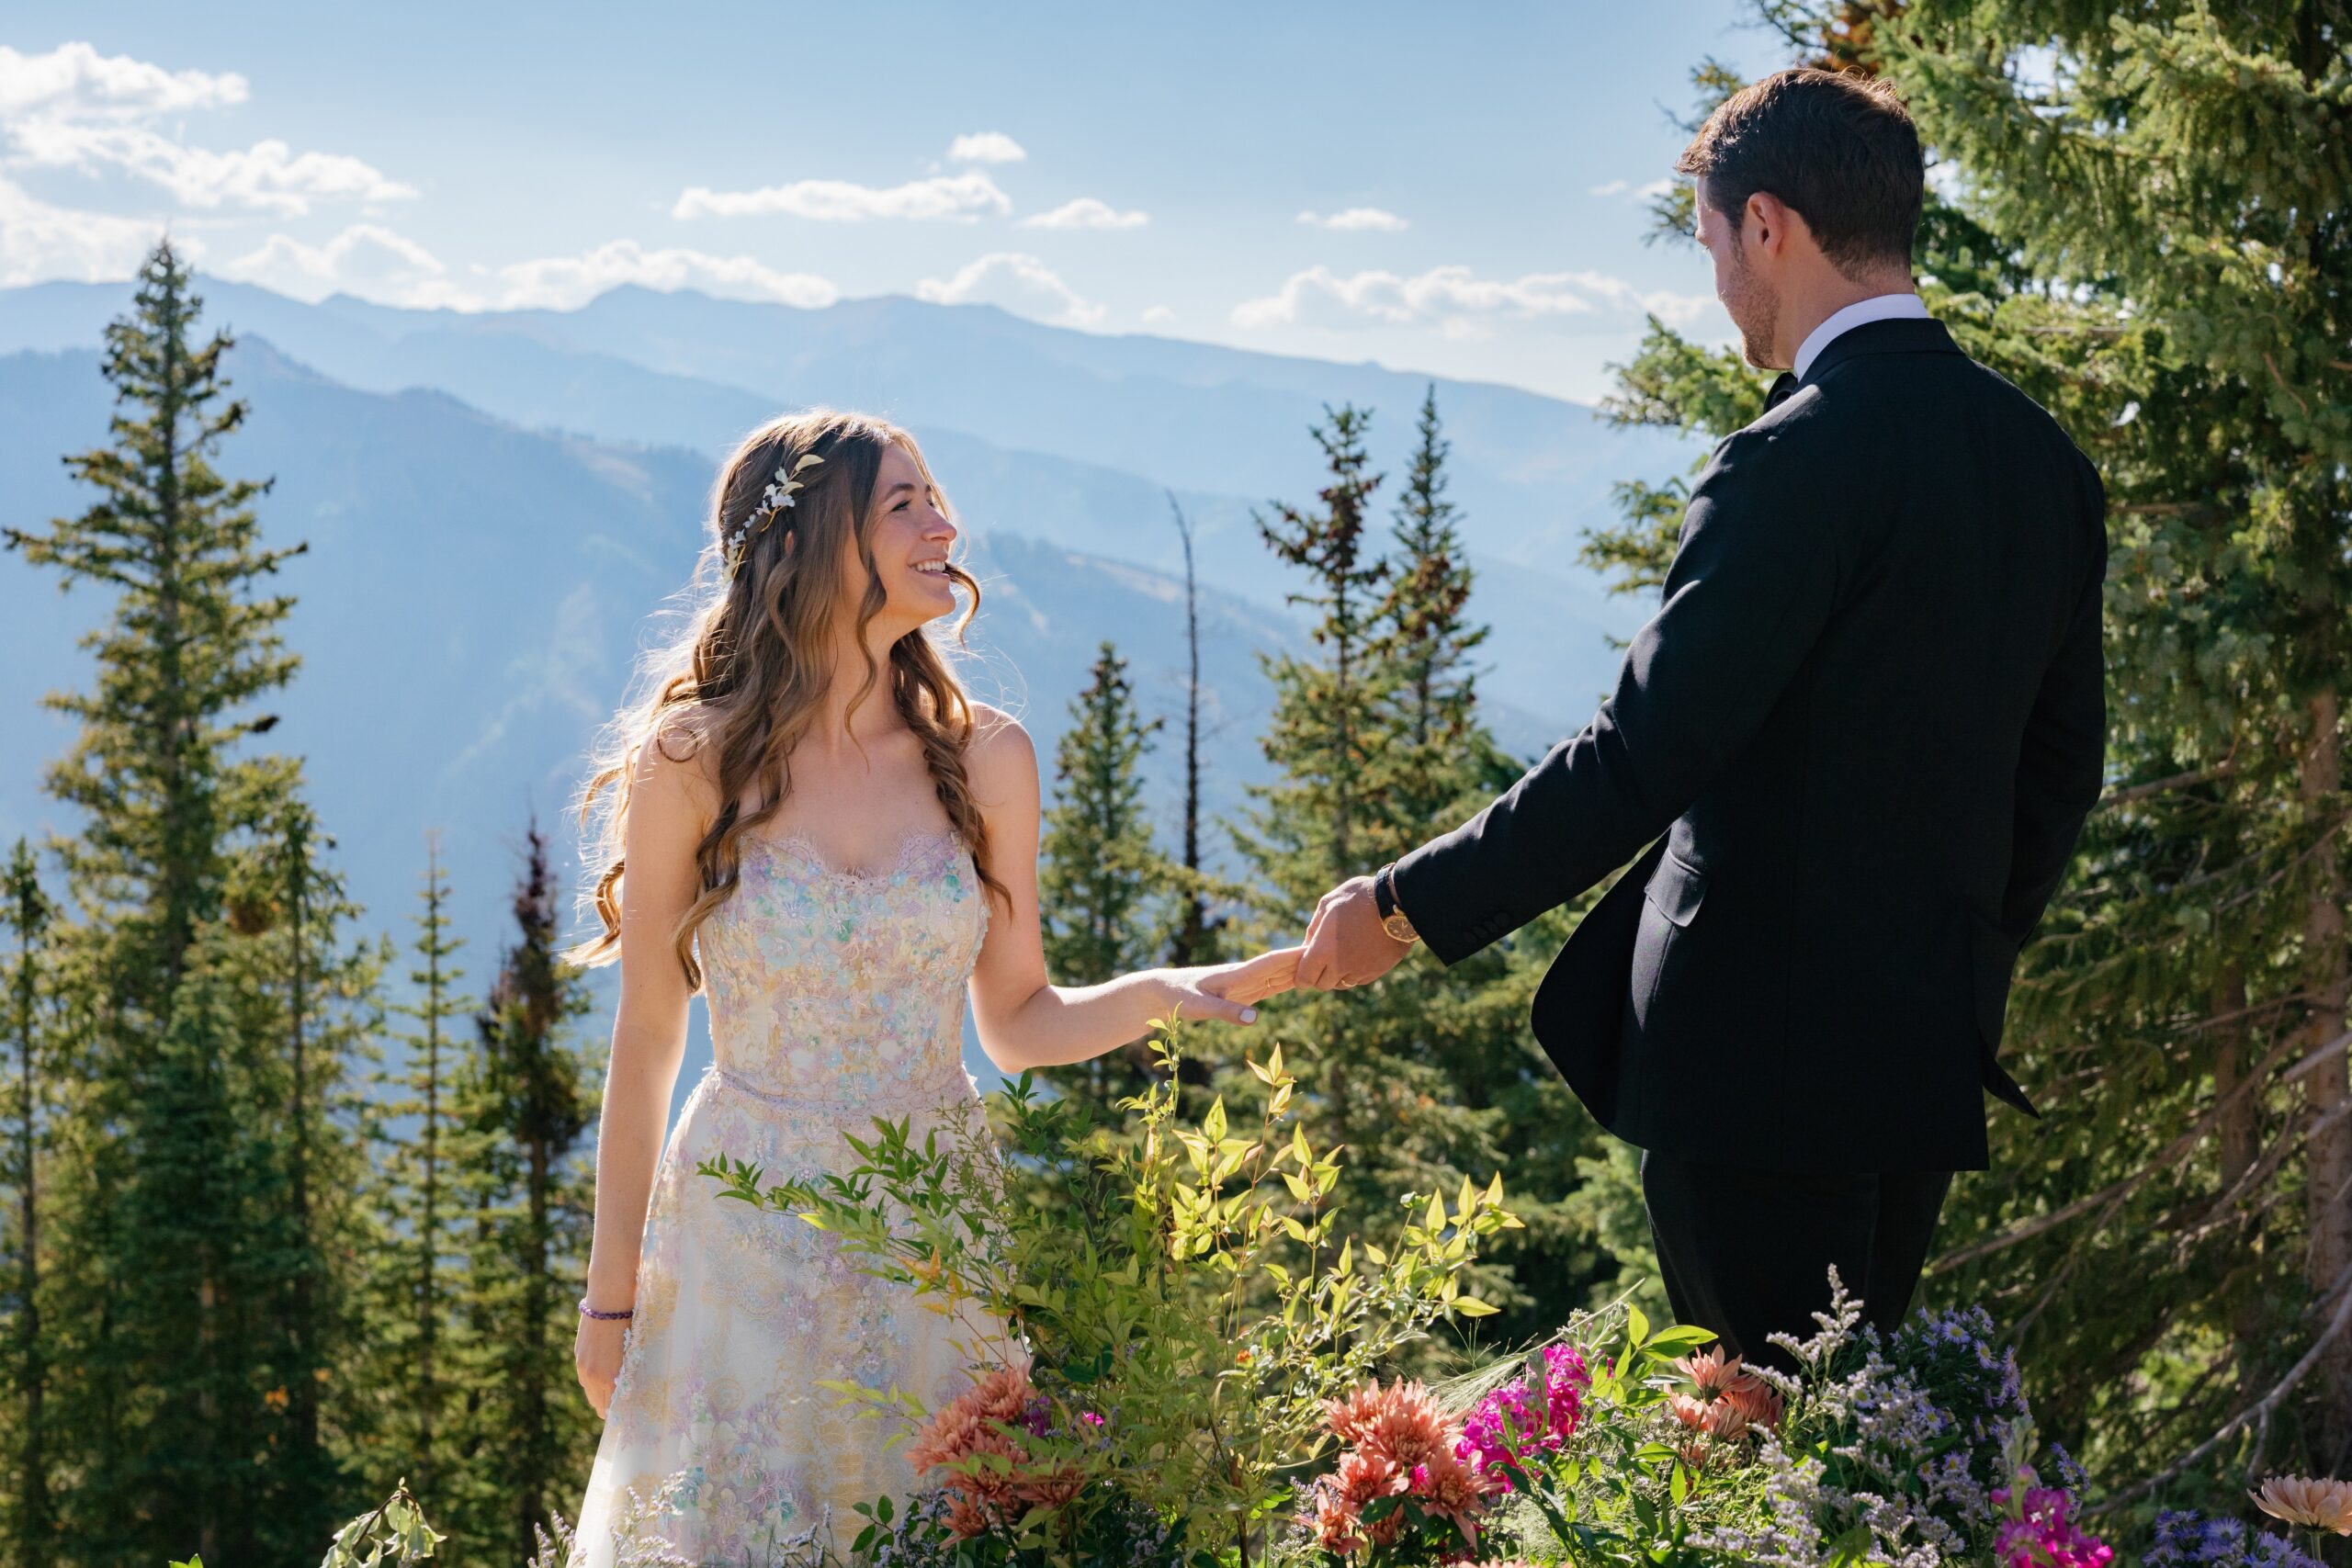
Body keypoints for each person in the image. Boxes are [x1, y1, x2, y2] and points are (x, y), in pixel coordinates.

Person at [1295, 68, 2107, 1368]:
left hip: (1757, 1080)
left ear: (1769, 226)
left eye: (1714, 242)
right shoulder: (2042, 462)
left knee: (1759, 1467)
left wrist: (1403, 904)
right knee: (1849, 1456)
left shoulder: (1794, 458)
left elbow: (1642, 751)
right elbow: (2062, 771)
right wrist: (1956, 955)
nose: (1717, 278)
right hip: (1919, 1060)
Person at [560, 409, 1297, 1562]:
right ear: (806, 540)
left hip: (933, 1230)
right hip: (740, 1232)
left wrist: (1163, 987)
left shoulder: (986, 756)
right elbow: (650, 1038)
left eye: (935, 498)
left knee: (935, 1528)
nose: (942, 526)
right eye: (903, 502)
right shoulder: (693, 762)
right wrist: (611, 1300)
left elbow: (1016, 1020)